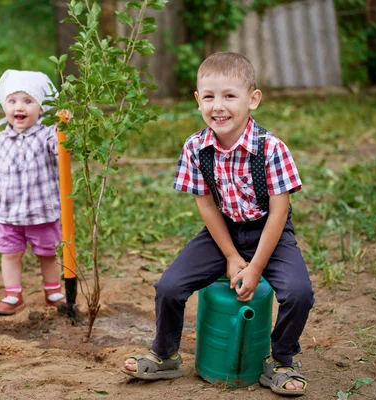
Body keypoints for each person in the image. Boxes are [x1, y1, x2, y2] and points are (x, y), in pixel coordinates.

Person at [121, 52, 314, 396]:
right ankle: (165, 355)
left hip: (269, 231)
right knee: (169, 287)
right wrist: (229, 254)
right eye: (209, 96)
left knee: (298, 293)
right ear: (198, 100)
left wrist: (255, 267)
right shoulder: (196, 147)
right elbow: (207, 205)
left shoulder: (271, 149)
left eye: (229, 95)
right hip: (221, 230)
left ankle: (282, 360)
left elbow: (279, 212)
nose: (218, 106)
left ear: (252, 99)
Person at [0, 69, 66, 315]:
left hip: (41, 211)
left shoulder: (47, 135)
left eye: (28, 101)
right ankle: (13, 295)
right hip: (9, 213)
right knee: (10, 254)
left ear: (41, 108)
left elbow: (63, 150)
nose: (19, 107)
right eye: (12, 101)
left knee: (48, 253)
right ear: (4, 106)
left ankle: (53, 291)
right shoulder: (1, 139)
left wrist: (65, 128)